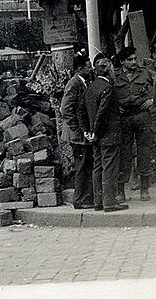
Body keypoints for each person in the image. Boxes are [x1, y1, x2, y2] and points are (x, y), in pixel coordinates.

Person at [78, 55, 128, 212]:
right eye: (113, 69)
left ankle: (99, 201)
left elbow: (80, 111)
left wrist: (87, 131)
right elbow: (102, 113)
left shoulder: (90, 87)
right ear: (108, 70)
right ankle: (110, 203)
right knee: (110, 169)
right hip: (108, 136)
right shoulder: (108, 88)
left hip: (96, 137)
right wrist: (95, 131)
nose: (114, 72)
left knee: (98, 167)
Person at [112, 46, 154, 201]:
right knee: (124, 153)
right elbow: (109, 95)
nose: (134, 62)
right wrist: (116, 107)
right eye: (129, 59)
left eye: (135, 58)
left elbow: (155, 88)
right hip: (125, 118)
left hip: (142, 116)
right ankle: (121, 190)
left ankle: (144, 188)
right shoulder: (115, 76)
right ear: (122, 61)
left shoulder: (145, 73)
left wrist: (152, 100)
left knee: (144, 151)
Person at [60, 55, 95, 209]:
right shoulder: (74, 83)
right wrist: (77, 129)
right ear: (80, 68)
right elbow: (66, 109)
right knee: (81, 166)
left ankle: (85, 197)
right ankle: (80, 200)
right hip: (77, 135)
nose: (91, 69)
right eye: (88, 66)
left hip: (80, 133)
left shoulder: (83, 82)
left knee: (86, 164)